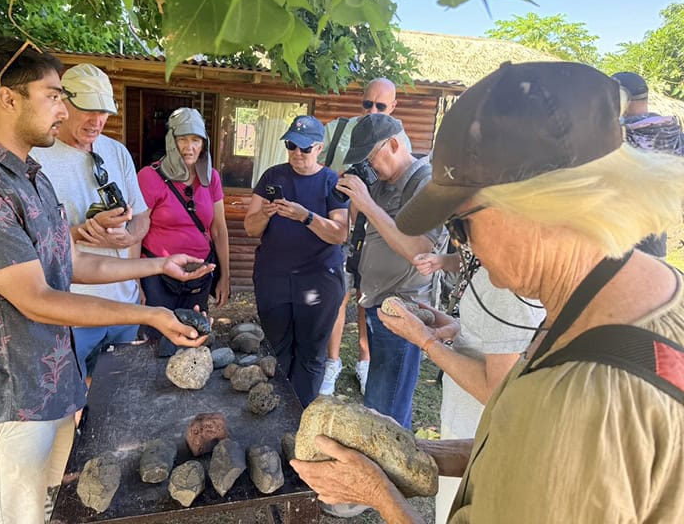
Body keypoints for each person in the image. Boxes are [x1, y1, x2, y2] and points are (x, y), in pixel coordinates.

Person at [292, 61, 684, 523]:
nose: (463, 244)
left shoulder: (579, 409)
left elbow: (550, 436)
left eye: (461, 222)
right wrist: (414, 451)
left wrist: (377, 494)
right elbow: (516, 443)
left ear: (537, 207)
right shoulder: (620, 301)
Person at [0, 36, 212, 524]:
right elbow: (37, 298)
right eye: (54, 94)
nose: (63, 109)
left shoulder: (30, 176)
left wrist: (157, 266)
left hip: (56, 388)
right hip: (12, 402)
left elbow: (73, 263)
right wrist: (150, 313)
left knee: (53, 510)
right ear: (8, 96)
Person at [392, 253, 544, 523]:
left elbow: (497, 390)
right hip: (469, 422)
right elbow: (505, 343)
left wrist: (425, 341)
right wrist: (458, 328)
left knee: (456, 509)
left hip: (477, 429)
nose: (457, 239)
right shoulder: (498, 273)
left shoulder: (504, 284)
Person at [31, 63, 149, 379]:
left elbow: (141, 216)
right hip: (69, 310)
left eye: (104, 112)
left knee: (118, 392)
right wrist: (80, 233)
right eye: (87, 109)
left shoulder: (117, 152)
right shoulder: (36, 158)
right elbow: (29, 239)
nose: (97, 121)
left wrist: (129, 238)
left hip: (123, 304)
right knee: (71, 404)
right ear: (62, 103)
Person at [335, 113, 444, 430]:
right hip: (378, 306)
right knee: (379, 404)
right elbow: (366, 230)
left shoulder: (425, 185)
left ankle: (391, 475)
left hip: (404, 311)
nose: (370, 166)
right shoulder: (383, 183)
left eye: (370, 157)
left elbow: (418, 250)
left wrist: (367, 202)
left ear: (394, 144)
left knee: (387, 412)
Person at [244, 115, 349, 407]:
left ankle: (301, 416)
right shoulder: (272, 177)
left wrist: (305, 216)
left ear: (319, 148)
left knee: (311, 354)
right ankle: (279, 413)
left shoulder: (331, 181)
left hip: (318, 280)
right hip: (274, 278)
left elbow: (340, 233)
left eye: (304, 148)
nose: (296, 154)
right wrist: (265, 213)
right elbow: (250, 228)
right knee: (278, 350)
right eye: (291, 145)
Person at [318, 77, 404, 396]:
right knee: (337, 296)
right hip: (341, 230)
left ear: (393, 107)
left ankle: (365, 363)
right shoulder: (337, 131)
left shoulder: (398, 139)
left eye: (380, 106)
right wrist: (336, 178)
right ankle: (332, 362)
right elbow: (313, 166)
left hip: (375, 234)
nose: (372, 111)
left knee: (368, 300)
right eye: (367, 103)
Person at [135, 107, 230, 348]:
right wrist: (135, 282)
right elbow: (136, 233)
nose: (189, 147)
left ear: (204, 143)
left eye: (195, 140)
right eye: (183, 139)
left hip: (199, 273)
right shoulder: (149, 176)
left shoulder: (212, 179)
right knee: (156, 341)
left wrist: (225, 277)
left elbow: (218, 229)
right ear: (171, 141)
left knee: (193, 336)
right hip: (158, 274)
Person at [611, 70, 684, 258]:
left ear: (620, 97)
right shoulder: (675, 134)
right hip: (656, 236)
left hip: (617, 237)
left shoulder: (616, 136)